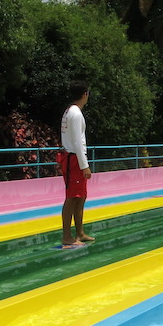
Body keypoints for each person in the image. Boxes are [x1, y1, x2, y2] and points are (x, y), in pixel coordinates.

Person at [58, 80, 93, 246]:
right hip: (74, 159)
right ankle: (67, 236)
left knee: (81, 196)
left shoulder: (69, 111)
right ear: (84, 94)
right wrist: (84, 164)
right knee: (72, 197)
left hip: (72, 157)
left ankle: (80, 232)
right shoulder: (76, 114)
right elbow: (78, 141)